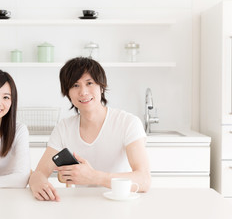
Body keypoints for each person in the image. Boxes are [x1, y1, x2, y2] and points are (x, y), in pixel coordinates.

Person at [29, 57, 151, 201]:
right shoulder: (64, 128)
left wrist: (93, 177)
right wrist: (38, 182)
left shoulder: (128, 123)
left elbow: (144, 180)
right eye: (75, 85)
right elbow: (39, 173)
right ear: (67, 92)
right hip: (80, 207)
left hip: (119, 204)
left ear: (101, 87)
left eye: (89, 83)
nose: (83, 92)